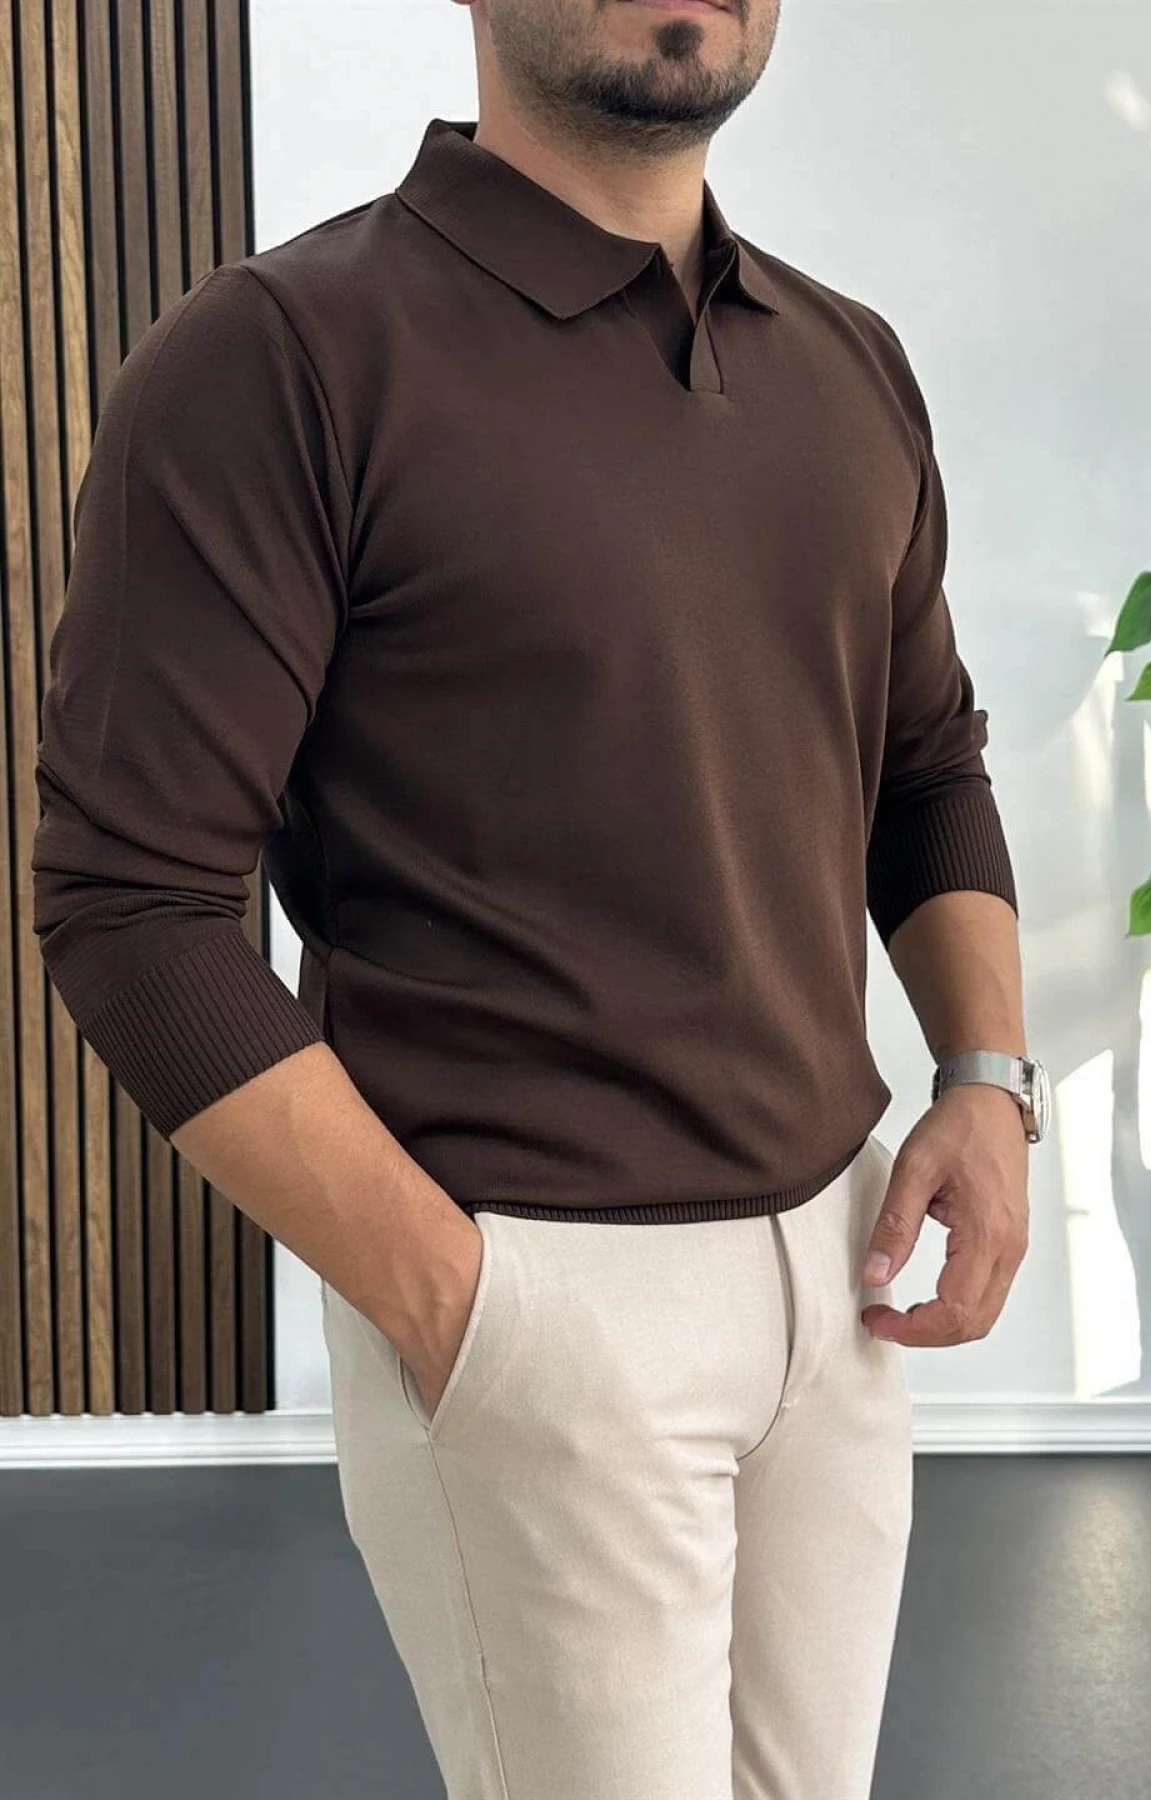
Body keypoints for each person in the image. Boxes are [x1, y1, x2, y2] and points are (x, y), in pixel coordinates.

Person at [31, 0, 1043, 1794]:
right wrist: (454, 1304)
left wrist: (987, 1075)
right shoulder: (279, 357)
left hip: (841, 1265)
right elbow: (134, 903)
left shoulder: (849, 360)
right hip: (533, 1284)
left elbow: (925, 766)